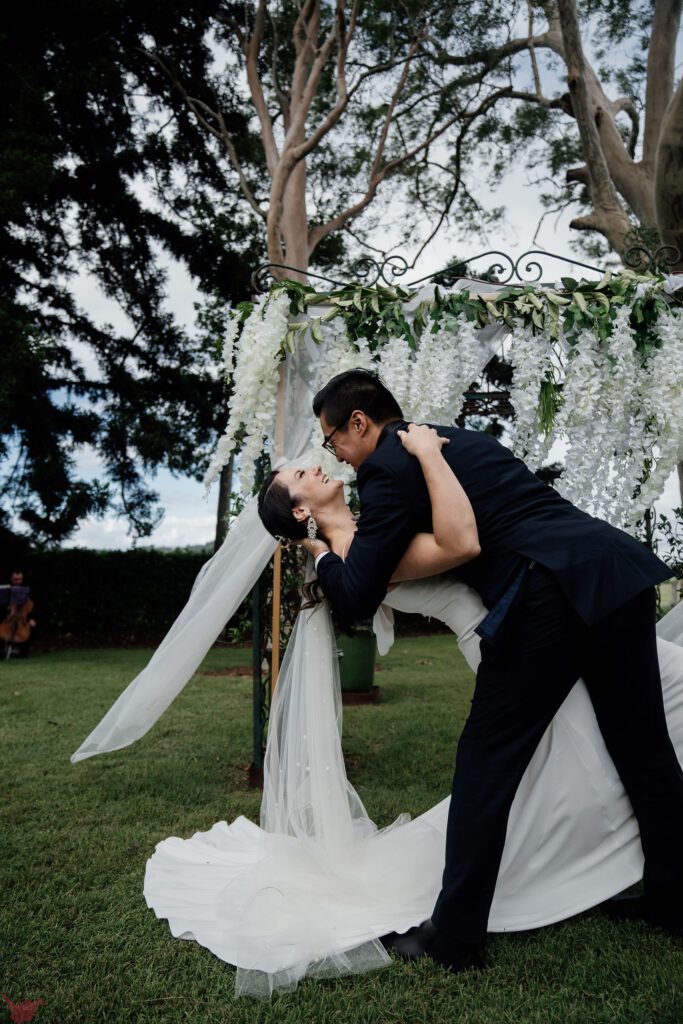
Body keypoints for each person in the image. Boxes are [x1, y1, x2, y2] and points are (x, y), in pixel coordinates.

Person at [143, 428, 683, 999]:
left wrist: (328, 546)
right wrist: (424, 456)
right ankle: (560, 880)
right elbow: (458, 544)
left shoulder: (362, 535)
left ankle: (650, 884)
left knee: (630, 739)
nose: (315, 465)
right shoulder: (363, 550)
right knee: (588, 750)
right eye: (301, 475)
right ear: (301, 509)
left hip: (550, 613)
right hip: (515, 633)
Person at [294, 368, 683, 974]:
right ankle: (674, 897)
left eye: (332, 439)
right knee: (644, 748)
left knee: (486, 762)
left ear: (360, 423)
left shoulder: (387, 470)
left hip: (547, 595)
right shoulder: (454, 440)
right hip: (613, 569)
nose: (335, 454)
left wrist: (321, 555)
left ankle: (454, 937)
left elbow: (358, 594)